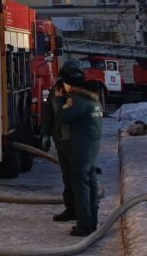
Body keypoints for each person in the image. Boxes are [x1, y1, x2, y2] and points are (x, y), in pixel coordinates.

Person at [61, 65, 104, 237]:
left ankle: (84, 225)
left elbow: (64, 117)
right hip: (91, 150)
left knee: (81, 188)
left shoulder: (78, 102)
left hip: (80, 150)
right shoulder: (94, 101)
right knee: (91, 186)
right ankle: (91, 222)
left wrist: (60, 101)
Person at [41, 77, 75, 222]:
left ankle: (85, 216)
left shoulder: (80, 93)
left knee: (79, 180)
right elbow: (49, 114)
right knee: (67, 177)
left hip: (76, 142)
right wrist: (46, 133)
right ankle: (71, 209)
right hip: (61, 140)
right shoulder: (56, 91)